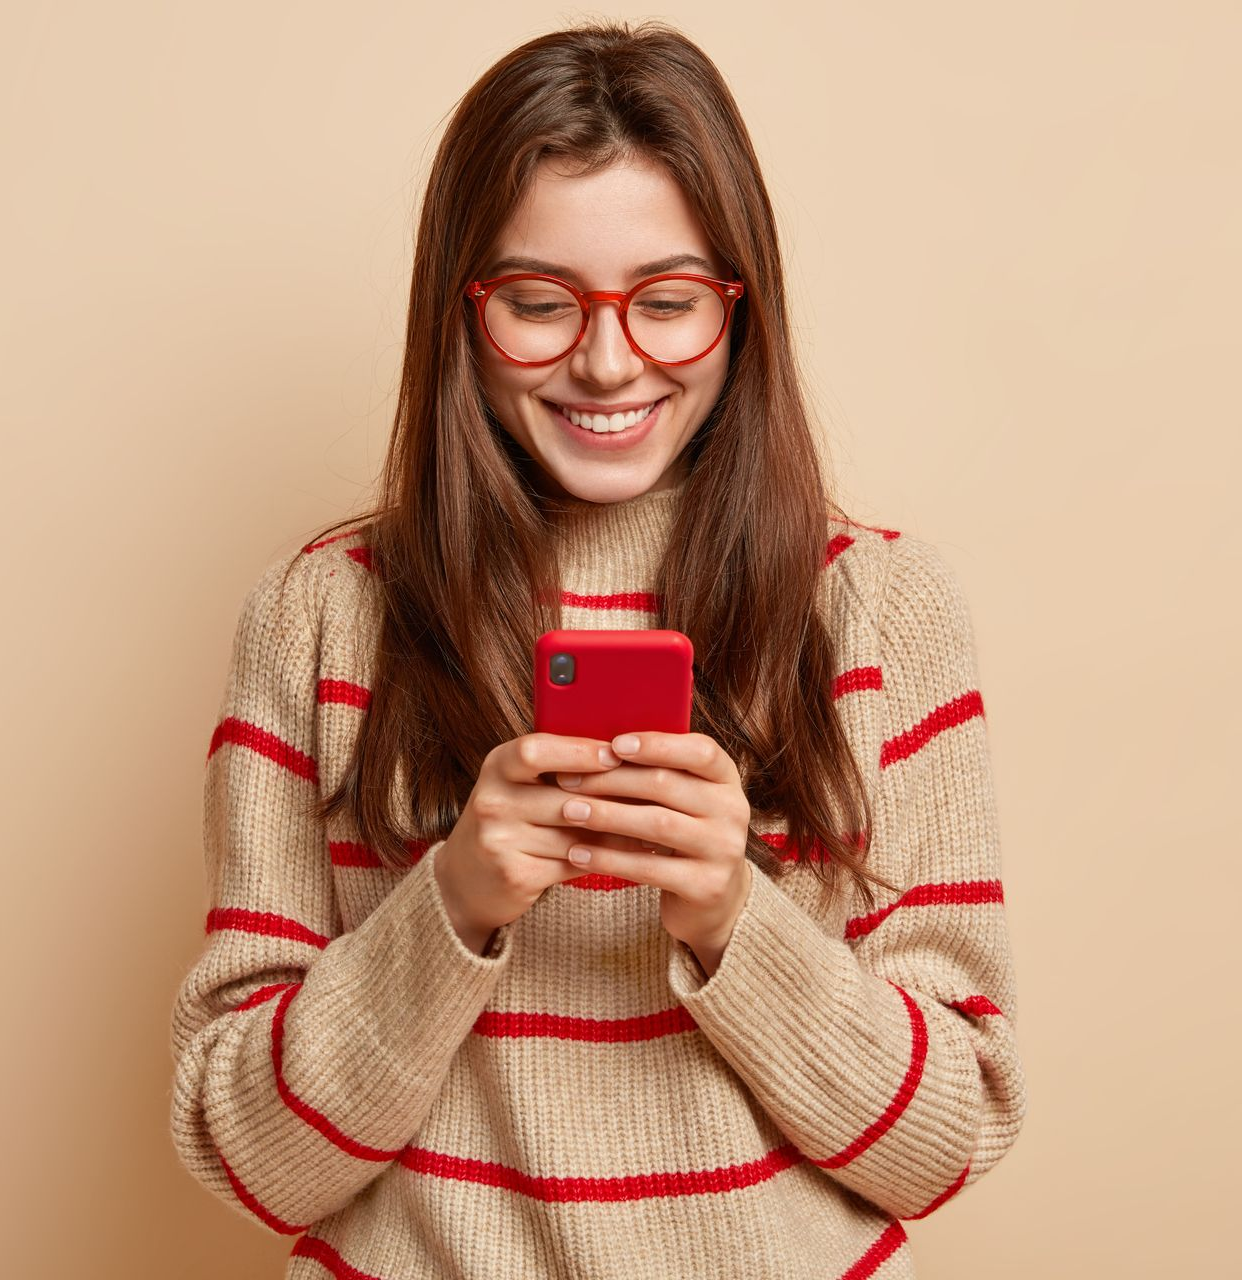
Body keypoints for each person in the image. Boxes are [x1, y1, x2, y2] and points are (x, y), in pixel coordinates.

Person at [168, 18, 1027, 1280]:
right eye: (537, 301)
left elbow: (947, 1138)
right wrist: (451, 902)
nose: (607, 357)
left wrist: (734, 914)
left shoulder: (882, 611)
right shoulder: (318, 616)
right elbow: (244, 1154)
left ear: (742, 310)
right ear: (458, 309)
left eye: (668, 301)